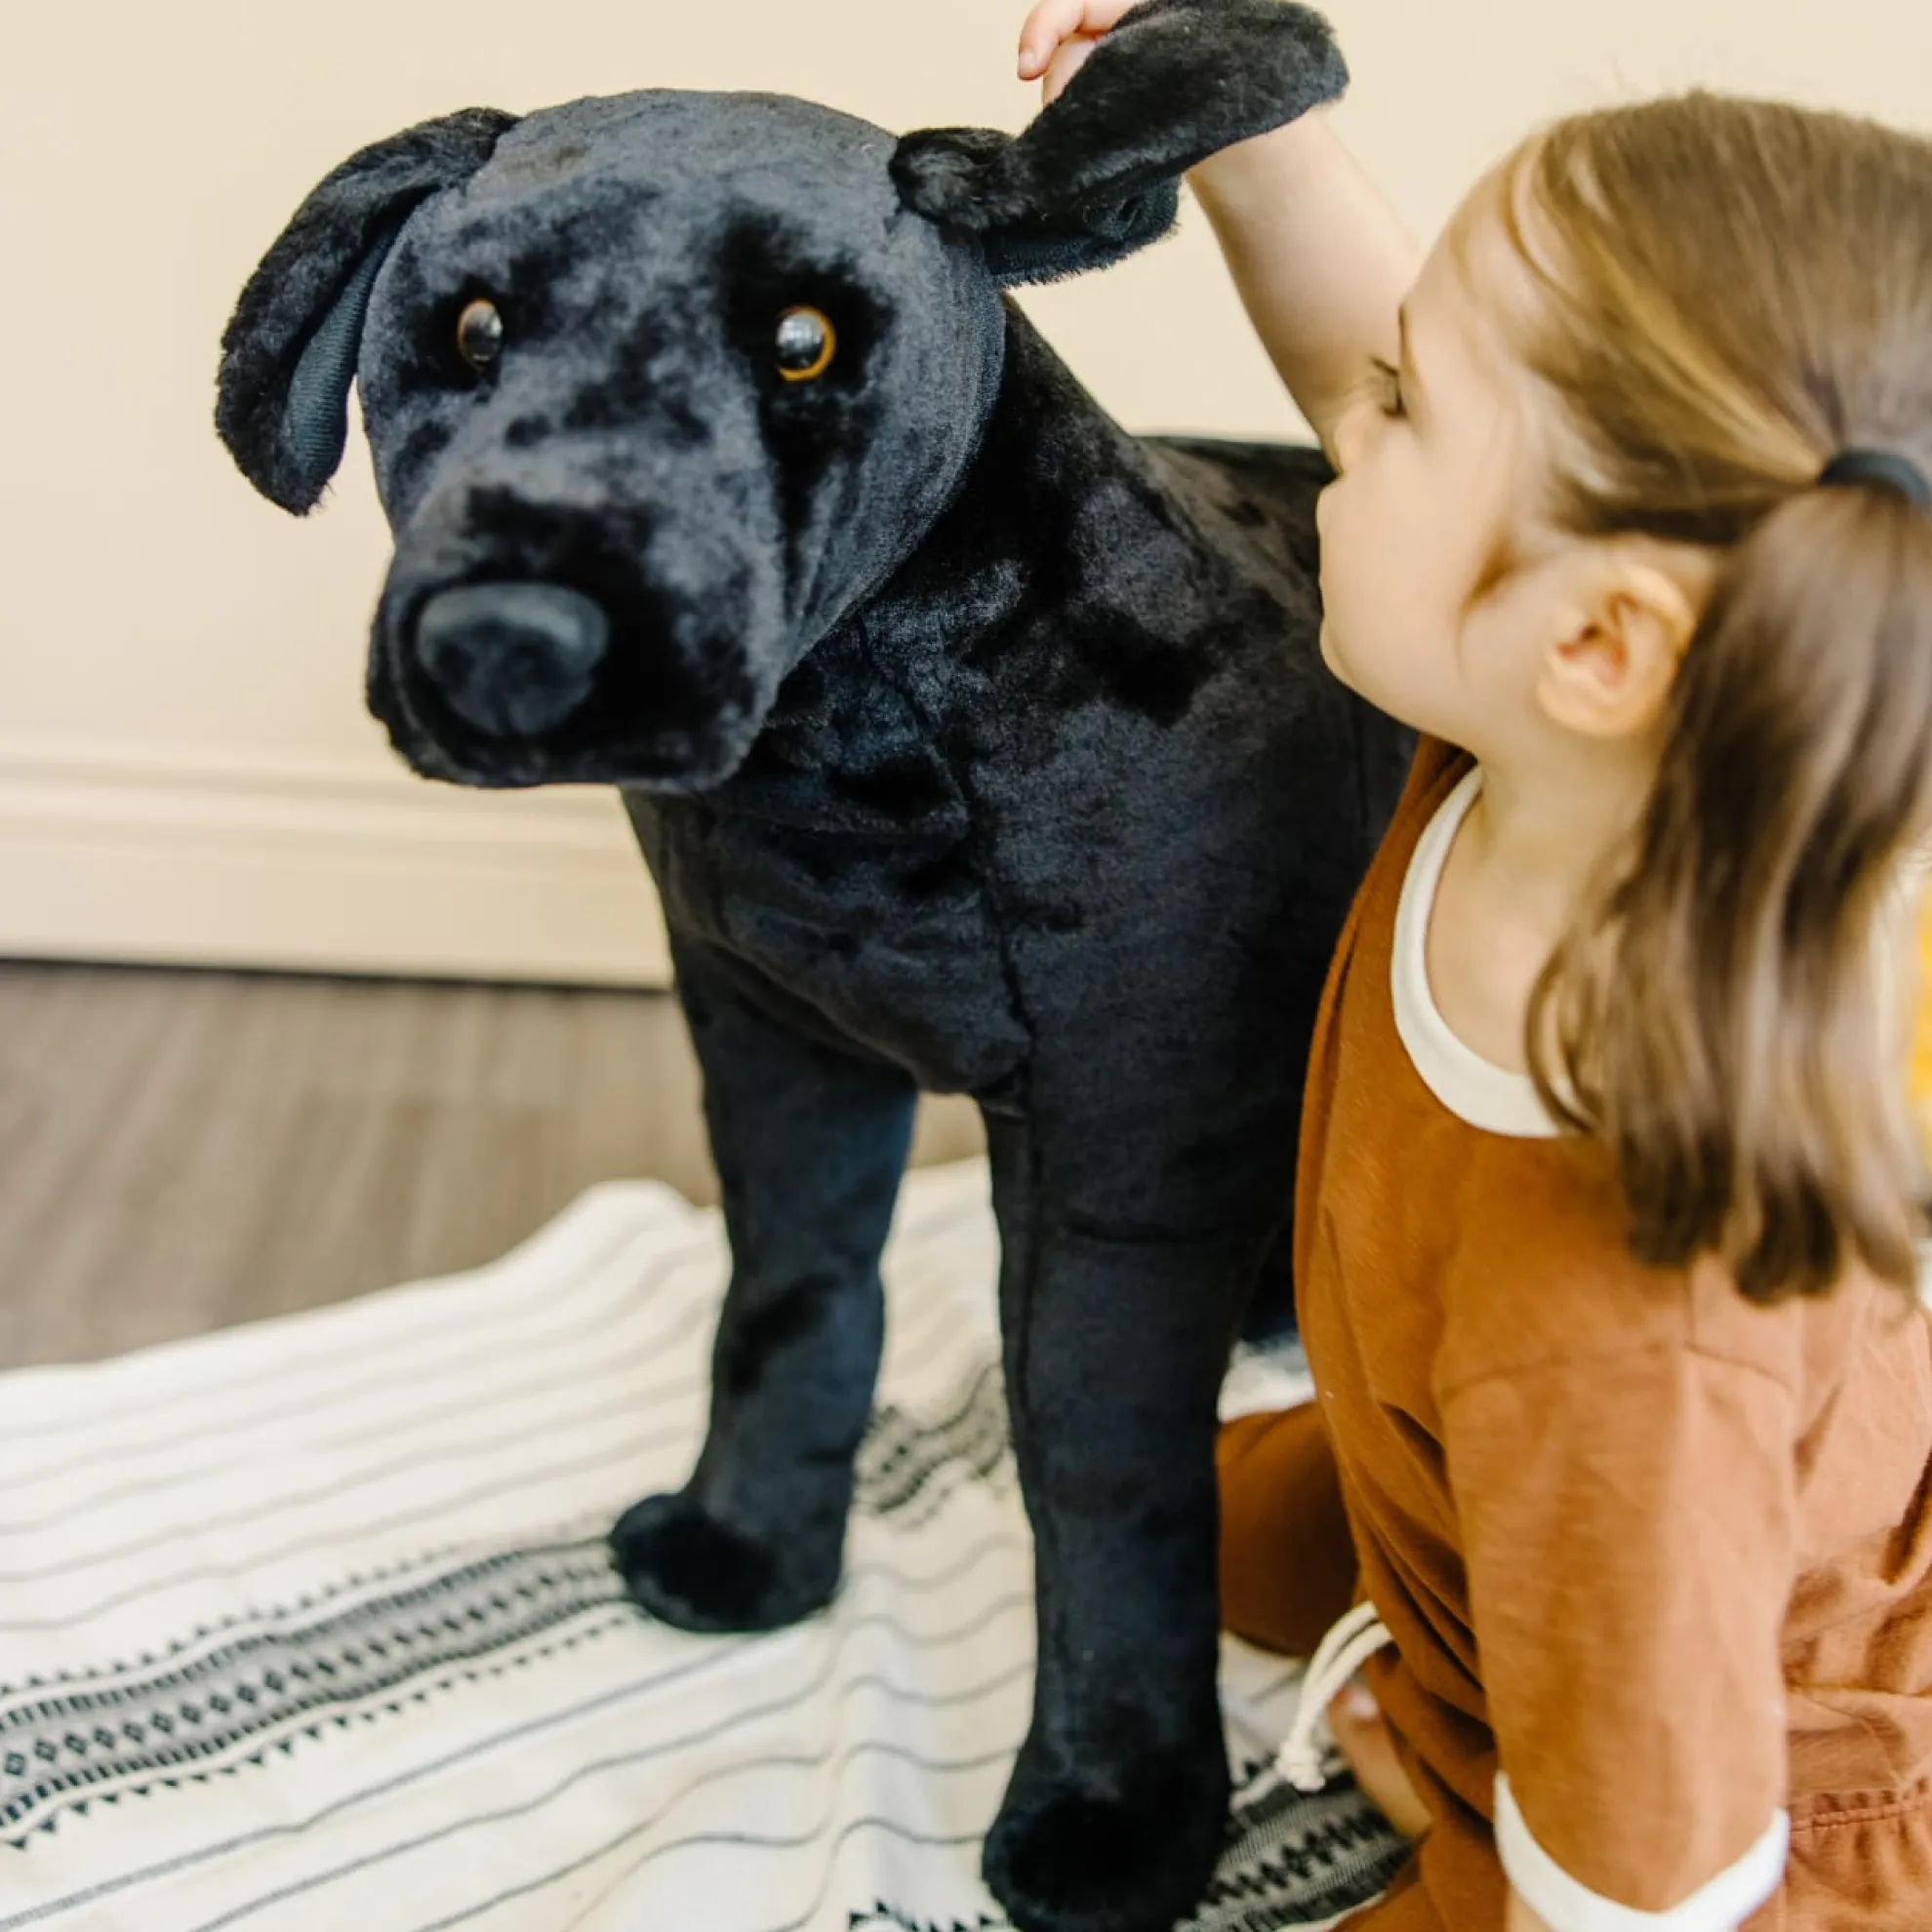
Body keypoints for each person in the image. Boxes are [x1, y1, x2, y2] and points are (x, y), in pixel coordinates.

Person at [1015, 7, 1932, 1929]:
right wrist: (1237, 117)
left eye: (1405, 412)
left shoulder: (1623, 1332)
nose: (1348, 428)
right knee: (1199, 1499)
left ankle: (1459, 1701)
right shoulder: (1578, 746)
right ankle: (1407, 1555)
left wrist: (1487, 1805)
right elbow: (1367, 342)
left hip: (1765, 1806)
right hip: (1452, 1438)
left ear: (1595, 643)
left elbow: (1650, 1869)